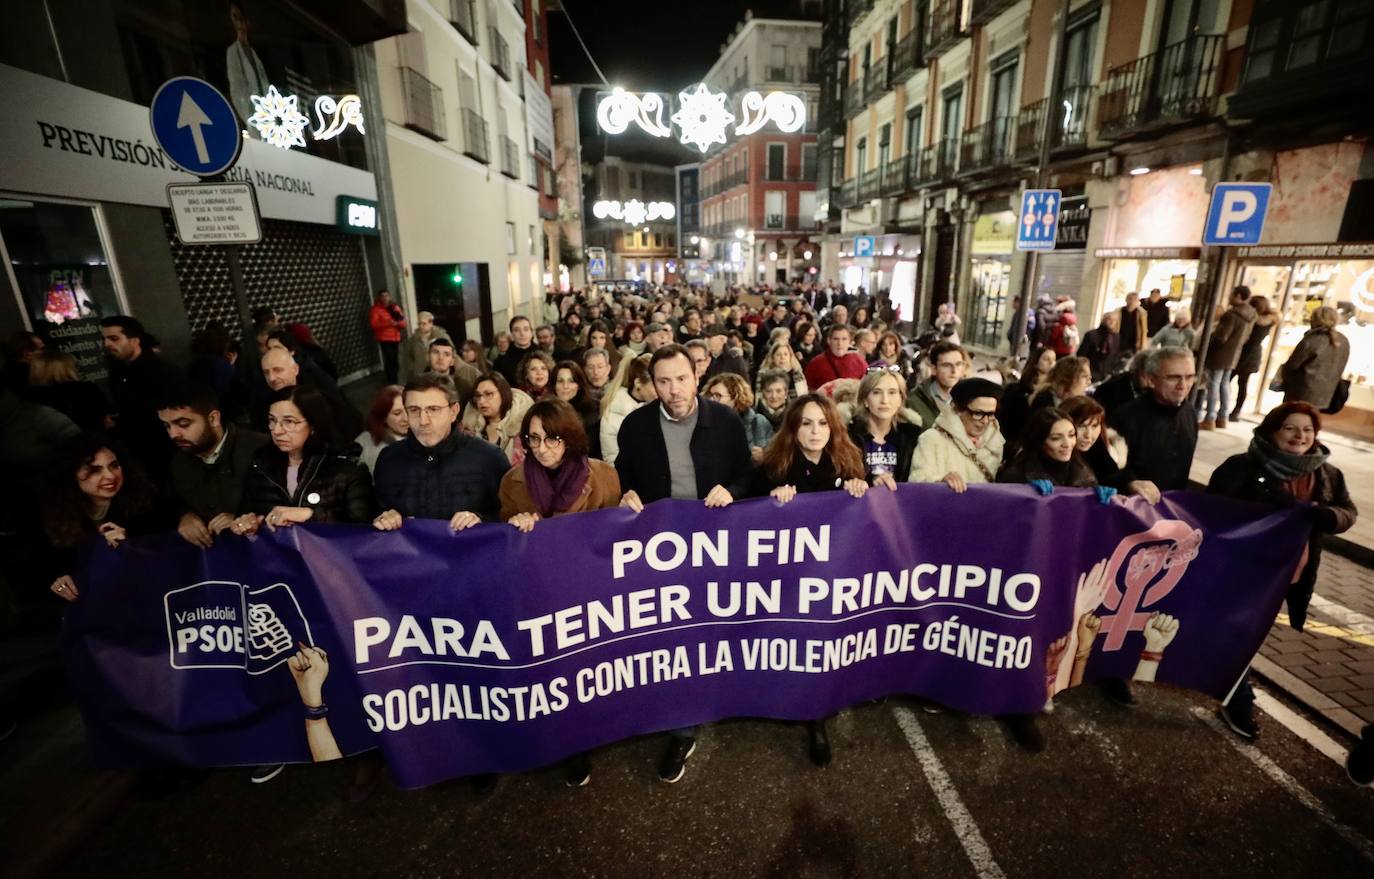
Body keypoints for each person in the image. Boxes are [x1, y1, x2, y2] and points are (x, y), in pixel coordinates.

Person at [613, 344, 753, 784]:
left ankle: (694, 716)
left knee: (705, 637)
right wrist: (626, 495)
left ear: (697, 376)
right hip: (659, 552)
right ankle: (679, 722)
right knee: (671, 640)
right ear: (651, 384)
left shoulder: (726, 422)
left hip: (716, 548)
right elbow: (624, 475)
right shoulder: (634, 426)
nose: (673, 390)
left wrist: (732, 490)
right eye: (663, 381)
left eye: (681, 379)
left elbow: (748, 473)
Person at [1208, 401, 1356, 737]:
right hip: (1243, 571)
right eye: (1290, 428)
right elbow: (1215, 511)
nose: (1299, 436)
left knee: (1246, 635)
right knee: (1241, 635)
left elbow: (1347, 510)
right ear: (1273, 431)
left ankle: (1231, 692)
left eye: (1307, 430)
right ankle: (1240, 703)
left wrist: (1330, 516)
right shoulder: (1241, 467)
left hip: (1291, 575)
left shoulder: (1327, 474)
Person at [752, 393, 869, 767]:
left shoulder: (849, 460)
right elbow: (748, 521)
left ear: (833, 426)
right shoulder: (774, 466)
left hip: (833, 574)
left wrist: (860, 489)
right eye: (806, 423)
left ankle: (817, 716)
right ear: (793, 428)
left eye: (822, 423)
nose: (816, 431)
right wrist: (771, 501)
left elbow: (865, 515)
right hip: (786, 578)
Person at [229, 385, 376, 534]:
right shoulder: (260, 466)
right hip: (278, 555)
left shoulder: (347, 467)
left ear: (313, 424)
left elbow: (363, 529)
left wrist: (311, 515)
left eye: (289, 422)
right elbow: (247, 514)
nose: (277, 430)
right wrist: (247, 523)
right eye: (272, 420)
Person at [373, 373, 510, 532]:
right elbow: (375, 512)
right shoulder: (388, 459)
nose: (423, 421)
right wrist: (384, 518)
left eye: (433, 409)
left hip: (471, 554)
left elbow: (508, 516)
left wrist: (481, 519)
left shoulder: (490, 458)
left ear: (454, 411)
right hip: (410, 556)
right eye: (414, 410)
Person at [45, 434, 163, 603]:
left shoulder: (145, 503)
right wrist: (59, 579)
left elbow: (164, 561)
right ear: (71, 474)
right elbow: (50, 562)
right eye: (95, 470)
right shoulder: (57, 512)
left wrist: (131, 547)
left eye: (114, 466)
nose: (110, 476)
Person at [157, 383, 270, 548]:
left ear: (213, 418)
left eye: (183, 424)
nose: (173, 434)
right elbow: (172, 502)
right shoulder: (179, 460)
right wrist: (184, 516)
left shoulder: (260, 449)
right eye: (167, 426)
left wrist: (244, 519)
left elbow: (282, 506)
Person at [1108, 346, 1198, 504]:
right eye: (1173, 377)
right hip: (1132, 511)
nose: (1183, 385)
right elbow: (1106, 468)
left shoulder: (1189, 413)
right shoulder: (1125, 417)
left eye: (1190, 377)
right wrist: (1130, 482)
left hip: (1173, 510)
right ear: (1151, 379)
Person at [101, 316, 185, 480]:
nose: (107, 344)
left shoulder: (163, 372)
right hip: (134, 452)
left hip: (163, 452)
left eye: (114, 338)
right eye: (104, 339)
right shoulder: (117, 372)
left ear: (134, 340)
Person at [909, 378, 1005, 492]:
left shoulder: (995, 443)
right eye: (978, 413)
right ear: (958, 409)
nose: (985, 421)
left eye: (990, 414)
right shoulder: (931, 440)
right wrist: (939, 482)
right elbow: (917, 482)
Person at [258, 347, 363, 442]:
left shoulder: (318, 390)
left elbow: (343, 422)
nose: (271, 378)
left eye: (278, 370)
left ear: (295, 369)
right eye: (266, 372)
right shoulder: (264, 398)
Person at [848, 369, 921, 487]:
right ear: (865, 400)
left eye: (892, 392)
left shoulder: (912, 436)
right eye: (876, 392)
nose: (885, 400)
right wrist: (871, 480)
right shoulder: (847, 435)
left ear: (900, 400)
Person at [1199, 286, 1258, 430]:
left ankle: (1210, 418)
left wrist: (1208, 344)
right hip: (1234, 354)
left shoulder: (1232, 315)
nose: (1229, 297)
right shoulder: (1251, 315)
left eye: (1231, 294)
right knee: (1224, 384)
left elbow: (1221, 336)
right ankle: (1222, 417)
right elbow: (1246, 337)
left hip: (1220, 354)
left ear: (1238, 295)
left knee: (1213, 384)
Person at [1280, 306, 1351, 411]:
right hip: (1326, 394)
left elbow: (1292, 365)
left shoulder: (1312, 339)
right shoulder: (1343, 341)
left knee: (1291, 419)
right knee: (1311, 421)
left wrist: (1284, 377)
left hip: (1301, 392)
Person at [460, 372, 534, 465]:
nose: (481, 401)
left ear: (503, 394)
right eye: (478, 396)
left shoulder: (523, 430)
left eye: (488, 394)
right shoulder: (468, 430)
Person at [28, 350, 109, 432]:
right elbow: (105, 416)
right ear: (68, 368)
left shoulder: (30, 397)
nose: (77, 369)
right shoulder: (84, 390)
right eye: (75, 366)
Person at [1060, 395, 1128, 490]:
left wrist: (1131, 483)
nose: (1088, 435)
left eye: (1095, 426)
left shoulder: (1098, 447)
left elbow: (1113, 477)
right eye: (1082, 426)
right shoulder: (1053, 455)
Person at [704, 373, 774, 462]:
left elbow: (774, 459)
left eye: (718, 396)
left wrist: (763, 457)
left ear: (735, 398)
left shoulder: (758, 422)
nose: (711, 399)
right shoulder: (705, 424)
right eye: (710, 395)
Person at [599, 355, 654, 465]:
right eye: (654, 385)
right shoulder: (613, 415)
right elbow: (612, 459)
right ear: (638, 383)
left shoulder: (660, 407)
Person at [1229, 295, 1275, 421]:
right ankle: (1235, 411)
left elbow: (1250, 342)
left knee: (1229, 381)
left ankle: (1230, 410)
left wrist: (1240, 361)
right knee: (1242, 384)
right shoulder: (1268, 322)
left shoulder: (1254, 321)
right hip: (1253, 356)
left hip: (1244, 355)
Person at [999, 347, 1055, 444]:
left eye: (1054, 359)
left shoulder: (1052, 392)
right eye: (1046, 359)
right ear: (1035, 362)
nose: (1051, 363)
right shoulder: (1016, 389)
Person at [907, 341, 967, 430]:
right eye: (947, 365)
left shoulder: (971, 398)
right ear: (934, 369)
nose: (954, 370)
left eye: (958, 364)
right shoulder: (914, 401)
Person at [551, 361, 602, 459]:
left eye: (571, 381)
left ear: (579, 385)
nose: (565, 386)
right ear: (554, 385)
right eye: (560, 381)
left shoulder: (592, 412)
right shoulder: (546, 410)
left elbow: (589, 450)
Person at [356, 385, 409, 473]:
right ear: (383, 416)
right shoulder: (370, 447)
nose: (406, 418)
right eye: (397, 413)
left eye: (409, 410)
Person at [804, 324, 867, 389]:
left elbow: (868, 386)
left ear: (849, 341)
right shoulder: (815, 364)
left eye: (844, 339)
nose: (840, 343)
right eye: (836, 339)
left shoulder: (859, 361)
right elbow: (807, 390)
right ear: (829, 340)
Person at [423, 337, 480, 404]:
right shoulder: (418, 384)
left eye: (446, 354)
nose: (441, 357)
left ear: (452, 361)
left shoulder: (463, 386)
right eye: (436, 352)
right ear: (427, 357)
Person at [399, 311, 451, 383]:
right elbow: (407, 357)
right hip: (420, 374)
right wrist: (411, 368)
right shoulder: (414, 339)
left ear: (431, 323)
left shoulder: (441, 336)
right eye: (419, 323)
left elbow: (452, 353)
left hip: (438, 374)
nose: (421, 326)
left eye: (424, 323)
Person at [368, 290, 406, 384]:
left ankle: (395, 378)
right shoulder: (376, 309)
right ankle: (391, 381)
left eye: (387, 295)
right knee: (390, 358)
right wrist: (388, 323)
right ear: (380, 298)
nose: (385, 298)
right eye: (383, 296)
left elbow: (403, 322)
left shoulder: (394, 307)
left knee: (394, 360)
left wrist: (397, 323)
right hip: (384, 338)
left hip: (395, 337)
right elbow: (374, 324)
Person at [492, 316, 537, 386]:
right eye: (517, 330)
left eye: (526, 329)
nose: (522, 333)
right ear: (512, 334)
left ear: (531, 332)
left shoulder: (543, 355)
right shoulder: (501, 362)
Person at [1078, 312, 1120, 382]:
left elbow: (1116, 356)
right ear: (1103, 320)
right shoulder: (1091, 335)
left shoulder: (1116, 337)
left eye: (1115, 320)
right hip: (1091, 374)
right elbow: (1081, 354)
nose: (1112, 322)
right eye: (1109, 319)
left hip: (1106, 376)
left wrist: (1111, 372)